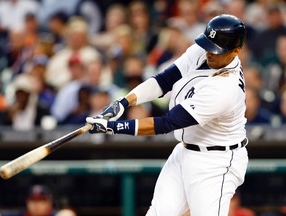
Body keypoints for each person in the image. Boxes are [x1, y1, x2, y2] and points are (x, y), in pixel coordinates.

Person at [86, 14, 249, 216]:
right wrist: (124, 101)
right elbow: (165, 80)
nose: (209, 52)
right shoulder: (205, 51)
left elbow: (167, 123)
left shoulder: (226, 88)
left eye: (216, 50)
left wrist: (113, 127)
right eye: (208, 45)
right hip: (185, 151)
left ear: (235, 51)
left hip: (216, 162)